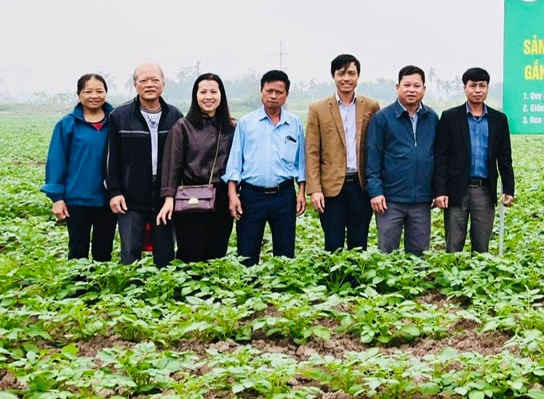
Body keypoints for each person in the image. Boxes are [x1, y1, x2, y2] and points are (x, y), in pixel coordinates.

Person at [224, 70, 307, 266]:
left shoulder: (294, 124)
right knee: (247, 250)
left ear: (286, 95)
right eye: (269, 91)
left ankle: (281, 292)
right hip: (252, 195)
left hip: (284, 194)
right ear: (261, 92)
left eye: (279, 92)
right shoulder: (246, 123)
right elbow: (235, 162)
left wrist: (302, 192)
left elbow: (301, 162)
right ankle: (248, 289)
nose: (273, 96)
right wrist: (232, 195)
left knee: (285, 251)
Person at [105, 63, 184, 266]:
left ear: (163, 84)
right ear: (135, 84)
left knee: (165, 253)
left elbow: (181, 158)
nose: (150, 84)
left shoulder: (175, 116)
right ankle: (129, 295)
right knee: (130, 253)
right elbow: (111, 158)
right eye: (143, 80)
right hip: (131, 197)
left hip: (163, 197)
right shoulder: (120, 116)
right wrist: (114, 192)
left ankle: (164, 294)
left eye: (155, 80)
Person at [433, 67, 515, 254]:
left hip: (485, 190)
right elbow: (441, 157)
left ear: (487, 88)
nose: (477, 90)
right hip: (456, 190)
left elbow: (505, 158)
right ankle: (454, 281)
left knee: (482, 245)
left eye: (482, 86)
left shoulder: (499, 119)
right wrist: (440, 191)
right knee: (454, 243)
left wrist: (509, 188)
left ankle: (479, 281)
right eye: (473, 85)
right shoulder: (450, 117)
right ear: (465, 88)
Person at [157, 73, 236, 262]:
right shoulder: (182, 127)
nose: (208, 96)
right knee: (190, 251)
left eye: (213, 92)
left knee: (217, 251)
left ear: (221, 95)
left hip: (222, 197)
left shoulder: (232, 127)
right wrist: (169, 199)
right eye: (203, 92)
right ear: (195, 95)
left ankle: (212, 291)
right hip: (191, 196)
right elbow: (172, 165)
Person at [305, 54, 381, 252]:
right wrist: (315, 189)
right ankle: (335, 282)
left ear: (358, 76)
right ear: (333, 76)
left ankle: (355, 282)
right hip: (331, 188)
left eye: (351, 73)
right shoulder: (318, 109)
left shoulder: (371, 106)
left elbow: (376, 147)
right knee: (333, 242)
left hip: (360, 185)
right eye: (341, 73)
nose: (346, 78)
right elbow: (312, 152)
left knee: (359, 243)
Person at [366, 65, 439, 255]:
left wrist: (438, 190)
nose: (412, 90)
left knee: (419, 255)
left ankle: (416, 285)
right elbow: (372, 158)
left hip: (422, 200)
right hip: (390, 200)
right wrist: (375, 191)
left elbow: (439, 158)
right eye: (407, 85)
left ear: (424, 89)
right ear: (397, 87)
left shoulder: (432, 118)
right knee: (387, 252)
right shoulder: (383, 118)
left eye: (417, 85)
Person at [42, 74, 116, 261]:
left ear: (106, 93)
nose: (94, 96)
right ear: (78, 94)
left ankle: (101, 287)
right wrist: (57, 197)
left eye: (99, 91)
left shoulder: (116, 121)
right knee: (77, 249)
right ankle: (78, 289)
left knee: (104, 249)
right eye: (88, 91)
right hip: (77, 200)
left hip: (109, 199)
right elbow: (56, 161)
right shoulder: (67, 124)